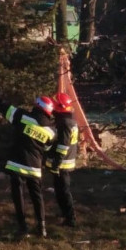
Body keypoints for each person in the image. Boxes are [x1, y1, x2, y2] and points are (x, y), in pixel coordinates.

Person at [0, 92, 57, 237]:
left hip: (17, 164)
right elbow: (46, 149)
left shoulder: (23, 117)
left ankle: (23, 227)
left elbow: (5, 107)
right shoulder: (51, 131)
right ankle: (42, 227)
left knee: (18, 196)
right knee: (37, 197)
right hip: (35, 168)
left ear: (37, 107)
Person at [47, 91, 79, 227]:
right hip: (66, 161)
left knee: (63, 191)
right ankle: (65, 212)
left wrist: (56, 164)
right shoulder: (70, 121)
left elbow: (62, 146)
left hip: (62, 164)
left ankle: (70, 218)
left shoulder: (64, 123)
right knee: (60, 189)